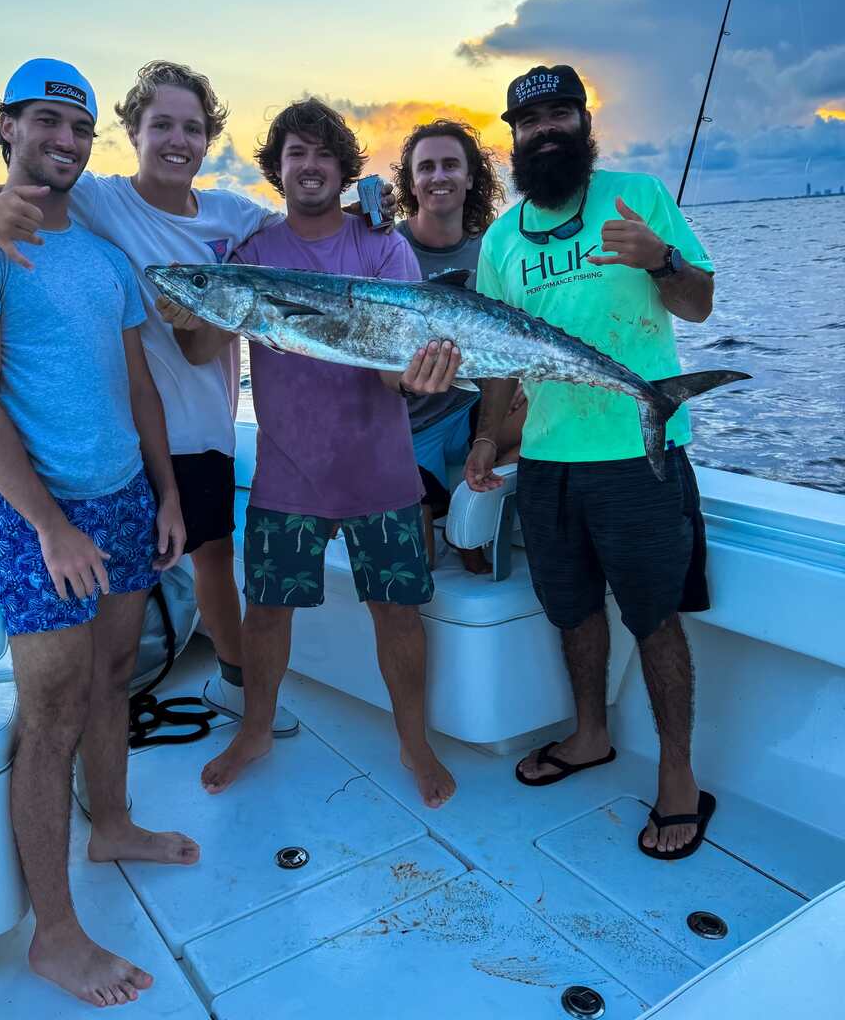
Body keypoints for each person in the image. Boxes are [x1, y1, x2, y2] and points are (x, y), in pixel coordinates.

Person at [0, 62, 394, 742]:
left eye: (194, 128)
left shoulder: (232, 214)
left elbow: (306, 227)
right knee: (118, 578)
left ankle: (231, 682)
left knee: (208, 555)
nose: (178, 140)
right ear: (133, 132)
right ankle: (92, 714)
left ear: (209, 139)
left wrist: (372, 210)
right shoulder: (99, 199)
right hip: (122, 432)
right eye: (162, 126)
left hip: (203, 426)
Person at [0, 59, 196, 1008]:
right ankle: (56, 933)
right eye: (46, 121)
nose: (65, 141)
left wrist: (165, 495)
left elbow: (141, 386)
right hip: (37, 514)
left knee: (116, 676)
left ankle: (112, 822)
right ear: (6, 128)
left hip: (124, 499)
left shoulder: (108, 260)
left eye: (79, 126)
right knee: (51, 715)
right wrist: (48, 525)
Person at [163, 98, 459, 808]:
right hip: (288, 473)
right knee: (265, 612)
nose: (311, 166)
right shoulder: (254, 254)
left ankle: (414, 741)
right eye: (296, 153)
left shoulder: (382, 247)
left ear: (344, 167)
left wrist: (421, 373)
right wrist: (190, 306)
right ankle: (257, 728)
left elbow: (395, 367)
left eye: (324, 153)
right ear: (278, 168)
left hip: (381, 470)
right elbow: (204, 345)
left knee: (396, 611)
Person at [465, 64, 718, 861]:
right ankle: (590, 736)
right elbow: (498, 352)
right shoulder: (503, 238)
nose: (544, 130)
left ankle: (678, 777)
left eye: (558, 114)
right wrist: (483, 437)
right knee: (570, 610)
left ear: (584, 120)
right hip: (545, 461)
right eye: (528, 120)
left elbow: (700, 301)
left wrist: (660, 259)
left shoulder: (637, 195)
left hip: (637, 462)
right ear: (511, 136)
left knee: (654, 617)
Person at [392, 118, 525, 573]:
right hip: (405, 427)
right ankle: (448, 512)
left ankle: (474, 499)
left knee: (555, 409)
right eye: (425, 167)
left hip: (470, 409)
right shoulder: (386, 248)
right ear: (412, 182)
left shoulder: (491, 250)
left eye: (451, 165)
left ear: (471, 177)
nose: (439, 176)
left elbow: (513, 335)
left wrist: (521, 379)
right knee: (418, 568)